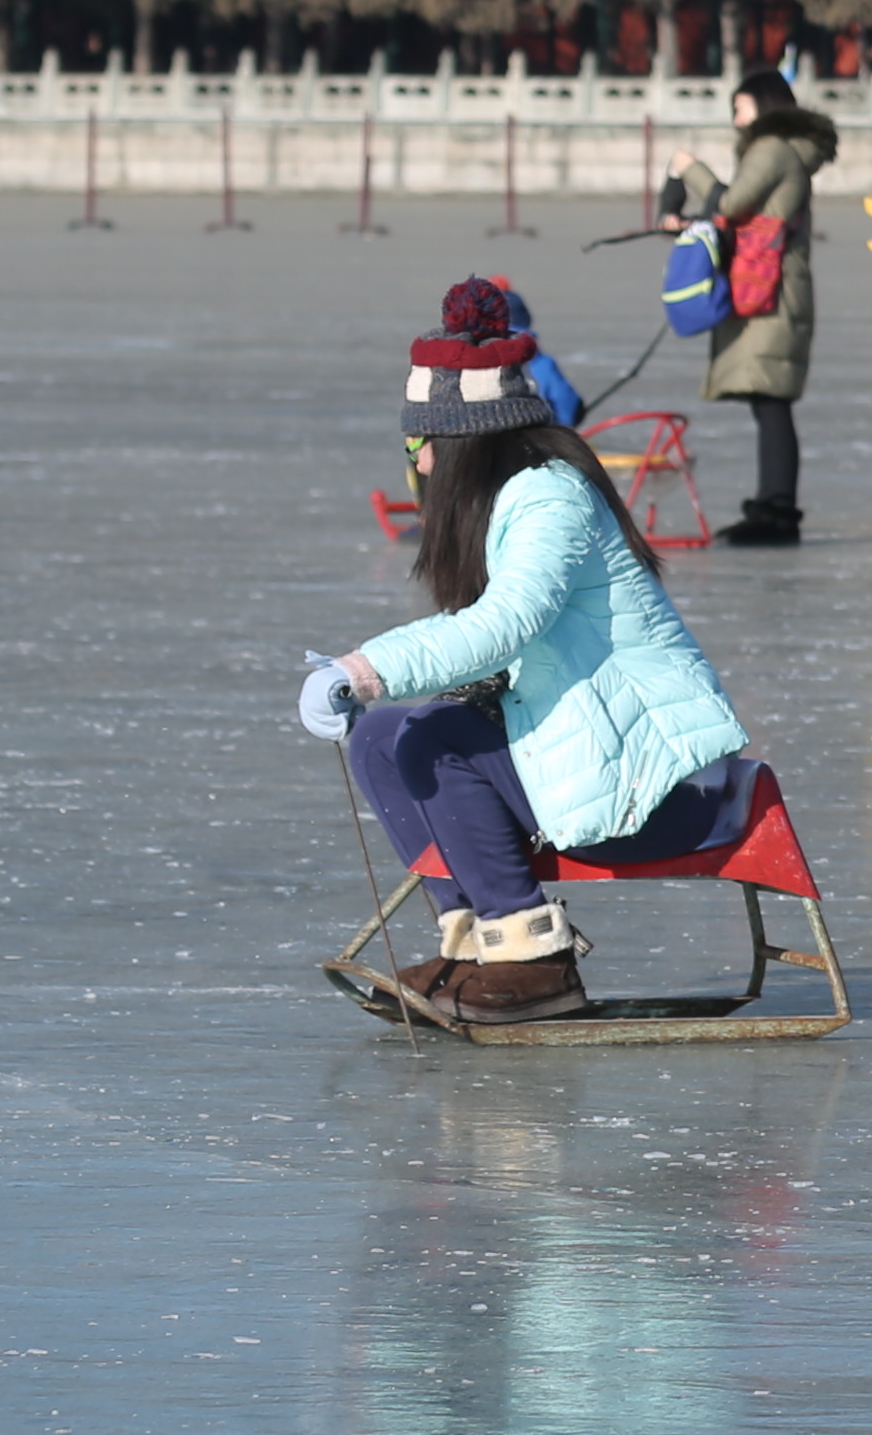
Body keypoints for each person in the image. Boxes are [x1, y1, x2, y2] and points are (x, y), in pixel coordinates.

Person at [334, 285, 762, 1015]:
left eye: (419, 444)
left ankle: (534, 958)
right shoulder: (508, 500)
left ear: (464, 441)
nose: (419, 466)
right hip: (590, 755)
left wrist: (368, 668)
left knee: (437, 742)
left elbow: (508, 622)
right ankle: (473, 944)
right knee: (378, 738)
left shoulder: (548, 497)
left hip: (660, 790)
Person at [683, 65, 840, 547]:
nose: (735, 120)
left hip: (770, 294)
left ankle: (777, 513)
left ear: (761, 107)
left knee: (771, 402)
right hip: (777, 289)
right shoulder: (789, 152)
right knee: (768, 401)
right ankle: (773, 506)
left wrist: (689, 169)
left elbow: (731, 204)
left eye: (739, 109)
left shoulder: (772, 149)